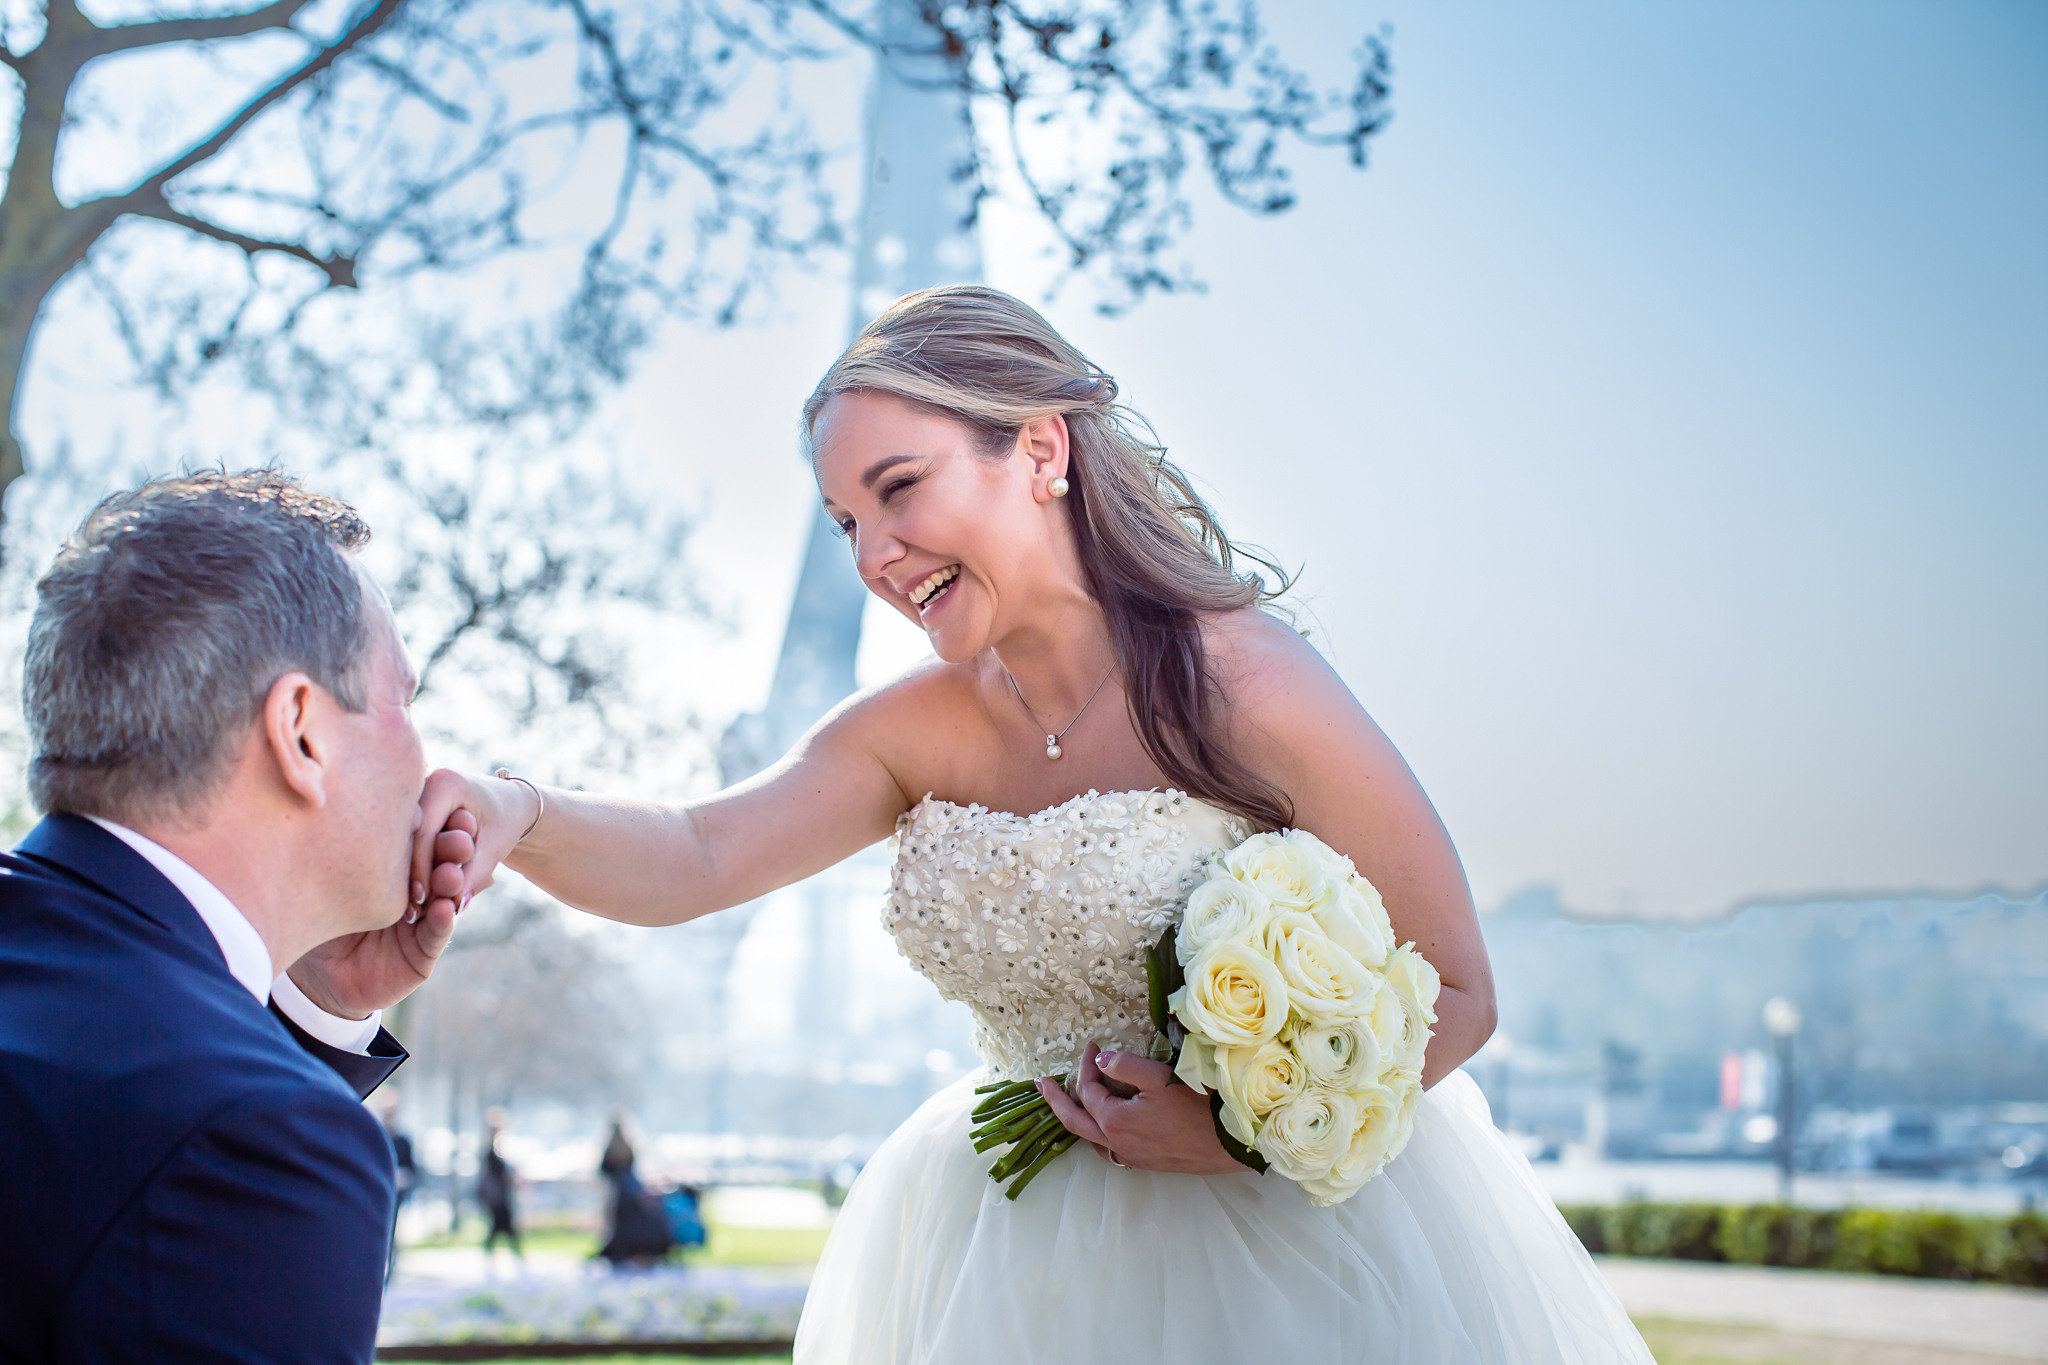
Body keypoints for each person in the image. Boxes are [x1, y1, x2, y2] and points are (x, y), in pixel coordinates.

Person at [413, 286, 1654, 1362]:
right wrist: (518, 812)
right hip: (1000, 1259)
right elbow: (696, 855)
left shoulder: (1244, 684)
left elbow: (1457, 988)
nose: (875, 555)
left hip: (1290, 1261)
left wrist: (1238, 1136)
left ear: (1042, 450)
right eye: (847, 521)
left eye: (900, 490)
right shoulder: (909, 728)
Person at [0, 470, 470, 1363]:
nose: (428, 757)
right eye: (405, 701)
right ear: (299, 730)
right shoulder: (259, 1138)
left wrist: (318, 1007)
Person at [596, 1114, 676, 1267]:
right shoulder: (628, 1146)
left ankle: (623, 1255)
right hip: (628, 1195)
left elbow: (603, 1173)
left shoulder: (609, 1149)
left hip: (617, 1196)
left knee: (619, 1228)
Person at [477, 1107, 525, 1266]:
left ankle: (508, 1256)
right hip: (497, 1196)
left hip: (500, 1195)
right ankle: (516, 1257)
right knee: (505, 1227)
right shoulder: (492, 1149)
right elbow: (498, 1172)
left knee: (501, 1229)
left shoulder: (498, 1146)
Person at [382, 1097, 420, 1283]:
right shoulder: (377, 1134)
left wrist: (402, 1177)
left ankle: (390, 1270)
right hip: (378, 1192)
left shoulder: (403, 1141)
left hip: (396, 1194)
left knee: (391, 1232)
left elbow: (413, 1170)